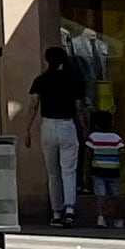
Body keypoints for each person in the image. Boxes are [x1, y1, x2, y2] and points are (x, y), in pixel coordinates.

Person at [27, 32, 90, 229]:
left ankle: (56, 212)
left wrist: (27, 129)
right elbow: (79, 108)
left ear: (47, 60)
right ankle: (70, 209)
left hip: (47, 125)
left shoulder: (40, 80)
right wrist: (84, 128)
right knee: (68, 171)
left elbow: (33, 106)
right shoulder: (73, 80)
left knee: (52, 172)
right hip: (67, 125)